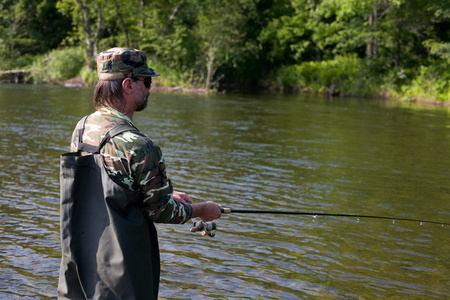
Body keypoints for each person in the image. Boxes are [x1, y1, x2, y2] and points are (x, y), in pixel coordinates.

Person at [58, 47, 222, 300]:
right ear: (127, 84)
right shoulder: (139, 145)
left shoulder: (83, 127)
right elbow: (162, 212)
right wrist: (202, 209)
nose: (149, 88)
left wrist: (166, 193)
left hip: (80, 263)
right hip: (122, 277)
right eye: (146, 81)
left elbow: (106, 187)